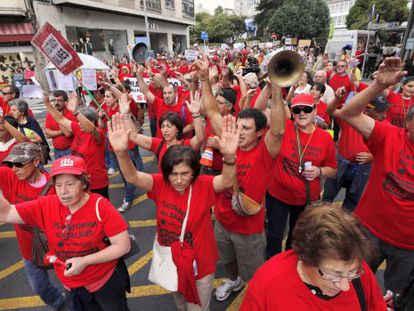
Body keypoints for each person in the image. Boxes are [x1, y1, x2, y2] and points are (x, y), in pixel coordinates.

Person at [108, 113, 239, 311]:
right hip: (171, 261)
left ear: (194, 173)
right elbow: (133, 176)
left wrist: (229, 158)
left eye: (185, 174)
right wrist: (121, 153)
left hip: (200, 264)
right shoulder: (160, 184)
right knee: (180, 305)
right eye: (173, 174)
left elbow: (227, 181)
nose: (178, 180)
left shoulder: (203, 185)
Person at [193, 53, 286, 302]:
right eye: (238, 126)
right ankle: (233, 282)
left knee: (255, 273)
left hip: (249, 230)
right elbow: (211, 109)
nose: (239, 132)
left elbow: (277, 130)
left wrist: (276, 89)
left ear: (258, 133)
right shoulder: (229, 136)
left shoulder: (265, 152)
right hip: (222, 222)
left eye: (246, 129)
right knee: (228, 261)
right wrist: (204, 79)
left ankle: (257, 297)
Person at [0, 155, 131, 311]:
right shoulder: (46, 205)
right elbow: (7, 213)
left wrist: (85, 261)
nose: (63, 191)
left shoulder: (100, 206)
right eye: (58, 184)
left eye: (70, 184)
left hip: (104, 283)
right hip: (71, 287)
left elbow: (123, 245)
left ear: (83, 183)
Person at [336, 57, 414, 294]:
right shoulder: (389, 136)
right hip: (367, 232)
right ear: (408, 123)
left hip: (409, 249)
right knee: (347, 288)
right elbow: (347, 113)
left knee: (396, 300)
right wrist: (378, 85)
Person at [240, 206, 386, 311]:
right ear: (304, 258)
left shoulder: (355, 269)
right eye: (333, 275)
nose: (345, 286)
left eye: (352, 273)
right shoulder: (267, 284)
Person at [264, 93, 337, 259]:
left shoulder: (325, 138)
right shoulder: (283, 127)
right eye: (297, 110)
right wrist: (272, 89)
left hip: (305, 200)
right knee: (274, 235)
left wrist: (319, 172)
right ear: (292, 111)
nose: (302, 113)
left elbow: (332, 170)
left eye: (307, 109)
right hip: (277, 195)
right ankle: (273, 265)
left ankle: (289, 265)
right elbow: (261, 110)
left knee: (296, 237)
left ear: (315, 110)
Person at [0, 142, 65, 310]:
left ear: (36, 161)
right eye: (10, 164)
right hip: (29, 249)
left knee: (74, 286)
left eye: (19, 164)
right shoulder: (10, 177)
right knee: (40, 287)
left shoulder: (57, 186)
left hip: (60, 247)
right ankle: (60, 304)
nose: (14, 169)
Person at [323, 91, 391, 212]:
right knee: (327, 197)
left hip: (363, 169)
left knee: (352, 203)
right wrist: (337, 99)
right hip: (341, 164)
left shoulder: (386, 126)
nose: (385, 115)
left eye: (385, 111)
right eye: (381, 112)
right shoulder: (351, 118)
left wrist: (372, 156)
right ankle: (321, 223)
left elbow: (389, 150)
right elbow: (330, 111)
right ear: (367, 110)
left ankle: (344, 227)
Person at [43, 93, 109, 199]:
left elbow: (91, 129)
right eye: (78, 122)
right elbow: (60, 120)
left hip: (96, 182)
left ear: (92, 121)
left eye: (81, 121)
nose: (79, 123)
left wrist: (75, 112)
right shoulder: (78, 129)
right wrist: (47, 104)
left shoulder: (99, 134)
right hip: (80, 180)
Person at [118, 92, 204, 172]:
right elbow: (134, 136)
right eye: (162, 127)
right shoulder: (158, 144)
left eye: (169, 126)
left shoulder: (186, 145)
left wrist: (196, 114)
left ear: (178, 128)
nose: (165, 130)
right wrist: (126, 115)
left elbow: (200, 139)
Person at [45, 90, 77, 159]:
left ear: (65, 102)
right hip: (57, 150)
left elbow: (68, 134)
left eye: (60, 101)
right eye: (55, 100)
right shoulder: (50, 114)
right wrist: (61, 131)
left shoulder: (71, 113)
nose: (56, 103)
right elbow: (47, 134)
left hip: (70, 149)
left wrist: (60, 119)